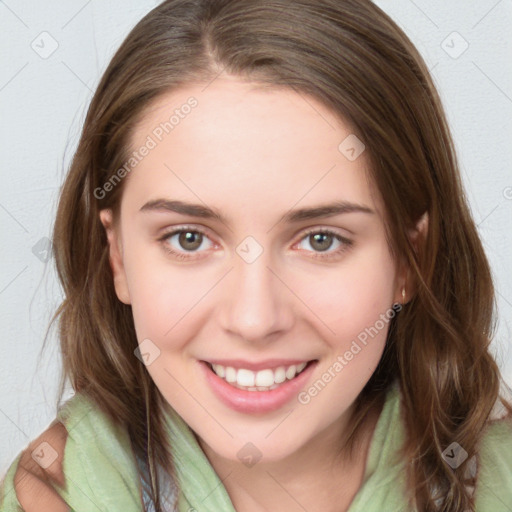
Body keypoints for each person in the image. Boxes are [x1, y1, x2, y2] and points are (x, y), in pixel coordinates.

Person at [1, 0, 511, 511]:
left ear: (408, 260)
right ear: (118, 258)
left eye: (320, 240)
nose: (253, 319)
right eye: (189, 239)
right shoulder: (50, 496)